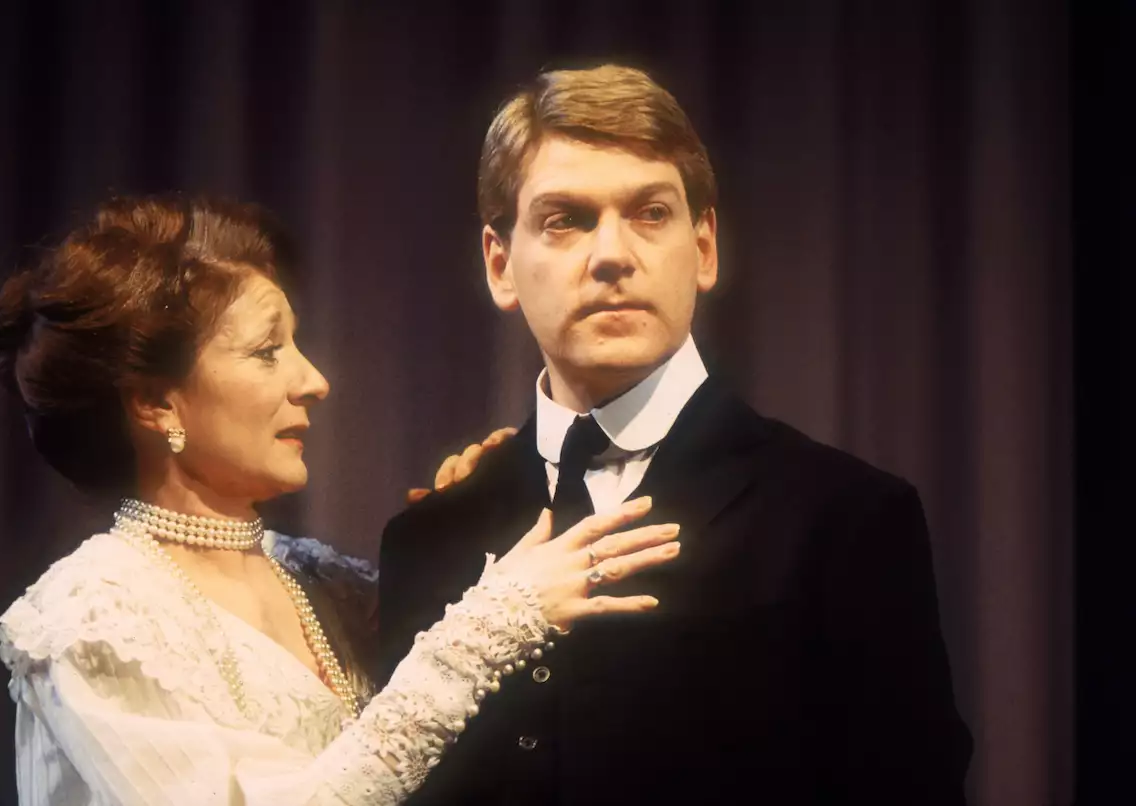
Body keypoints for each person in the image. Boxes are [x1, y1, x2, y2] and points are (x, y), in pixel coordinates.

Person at [377, 64, 973, 805]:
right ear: (500, 264)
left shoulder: (846, 518)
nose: (612, 255)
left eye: (650, 213)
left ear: (705, 247)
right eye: (565, 219)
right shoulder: (425, 538)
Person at [0, 194, 684, 805]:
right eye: (267, 351)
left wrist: (461, 529)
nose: (313, 380)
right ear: (155, 402)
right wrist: (495, 618)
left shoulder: (327, 586)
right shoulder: (91, 616)